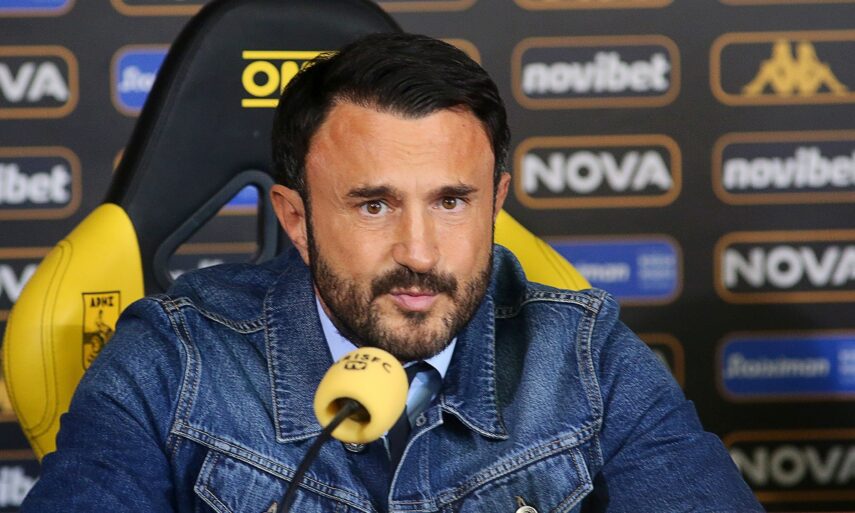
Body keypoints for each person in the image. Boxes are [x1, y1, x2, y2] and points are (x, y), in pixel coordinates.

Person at [22, 33, 763, 512]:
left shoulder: (587, 356)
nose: (420, 252)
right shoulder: (170, 361)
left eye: (451, 201)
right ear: (295, 219)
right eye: (374, 205)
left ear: (496, 203)